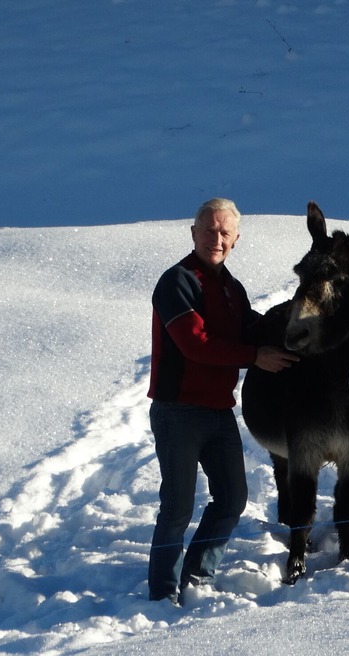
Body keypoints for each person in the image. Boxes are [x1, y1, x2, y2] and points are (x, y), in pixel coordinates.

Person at [146, 197, 298, 603]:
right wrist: (254, 357)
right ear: (194, 233)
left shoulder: (232, 288)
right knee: (177, 508)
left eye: (224, 232)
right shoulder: (176, 282)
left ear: (236, 239)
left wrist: (299, 323)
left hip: (218, 411)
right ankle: (162, 595)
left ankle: (196, 576)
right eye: (209, 230)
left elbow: (253, 329)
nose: (217, 238)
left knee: (232, 498)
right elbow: (196, 344)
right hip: (177, 410)